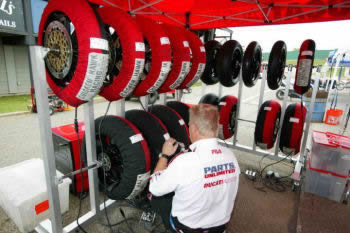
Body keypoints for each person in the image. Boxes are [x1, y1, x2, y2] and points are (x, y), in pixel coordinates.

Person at [149, 104, 240, 233]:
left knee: (158, 196)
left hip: (188, 228)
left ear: (194, 128)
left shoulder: (184, 162)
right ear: (215, 128)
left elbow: (154, 188)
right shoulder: (231, 156)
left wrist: (164, 155)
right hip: (220, 226)